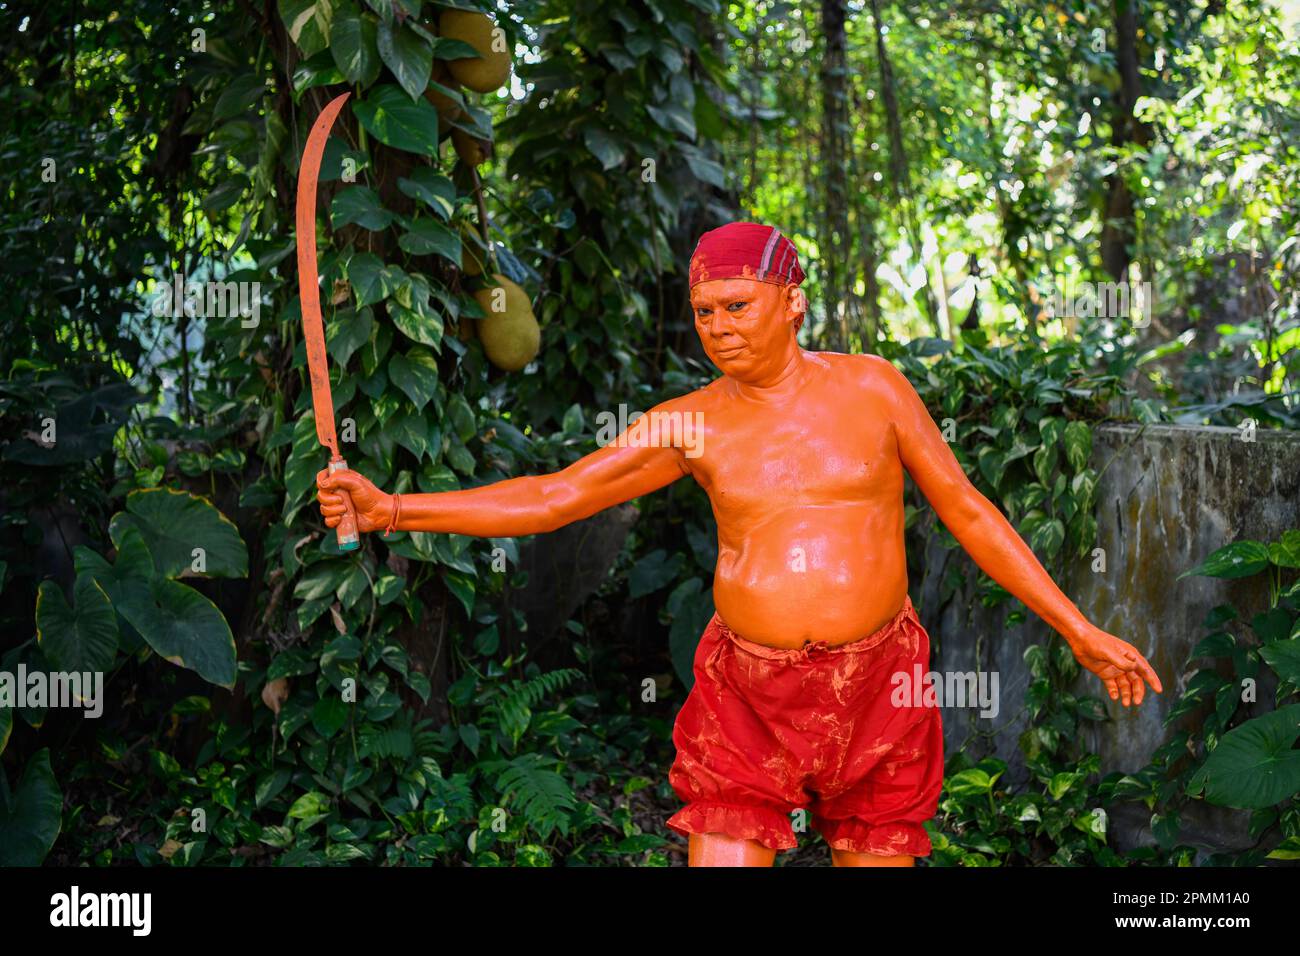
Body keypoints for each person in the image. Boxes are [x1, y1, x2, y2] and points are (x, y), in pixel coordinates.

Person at [316, 221, 1162, 867]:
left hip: (880, 684)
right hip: (745, 697)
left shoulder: (874, 389)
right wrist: (392, 509)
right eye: (703, 313)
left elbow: (969, 512)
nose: (717, 328)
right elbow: (555, 495)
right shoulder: (692, 421)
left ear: (792, 301)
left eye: (736, 307)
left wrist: (1078, 629)